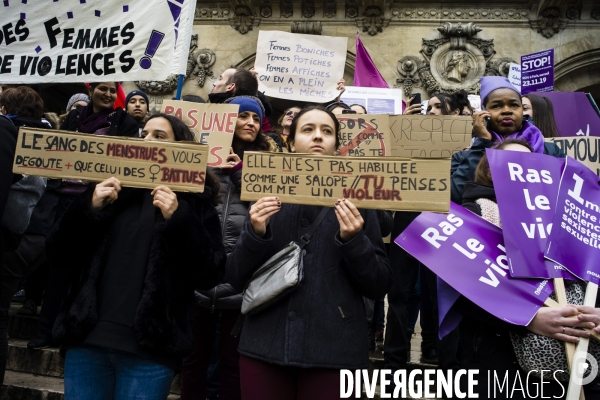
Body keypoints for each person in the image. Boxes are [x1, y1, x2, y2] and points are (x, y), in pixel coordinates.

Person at [46, 113, 226, 400]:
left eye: (160, 137)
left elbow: (210, 273)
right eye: (144, 134)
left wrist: (179, 218)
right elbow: (57, 253)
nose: (148, 141)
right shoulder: (107, 190)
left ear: (181, 149)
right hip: (88, 342)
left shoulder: (192, 202)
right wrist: (89, 207)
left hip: (150, 352)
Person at [226, 105, 392, 400]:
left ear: (336, 146)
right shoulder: (265, 192)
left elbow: (379, 284)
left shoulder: (358, 199)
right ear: (289, 141)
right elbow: (235, 278)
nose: (318, 137)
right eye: (308, 129)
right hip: (264, 344)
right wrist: (256, 233)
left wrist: (354, 240)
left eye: (327, 131)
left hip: (334, 350)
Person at [457, 139, 598, 398]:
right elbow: (461, 293)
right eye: (512, 163)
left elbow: (591, 273)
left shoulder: (567, 216)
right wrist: (527, 319)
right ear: (490, 171)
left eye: (530, 163)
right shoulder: (475, 215)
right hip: (501, 363)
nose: (522, 170)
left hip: (577, 361)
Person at [27, 81, 139, 349]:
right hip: (65, 200)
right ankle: (45, 330)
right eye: (103, 89)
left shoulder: (125, 122)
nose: (108, 94)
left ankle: (77, 329)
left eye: (113, 90)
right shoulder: (75, 117)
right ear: (91, 91)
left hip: (99, 204)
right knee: (58, 267)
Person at [181, 96, 277, 400]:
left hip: (243, 280)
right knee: (193, 359)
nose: (249, 122)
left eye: (255, 118)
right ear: (225, 121)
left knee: (232, 363)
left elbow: (272, 209)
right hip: (198, 276)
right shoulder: (202, 160)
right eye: (242, 115)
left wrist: (239, 173)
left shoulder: (268, 162)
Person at [451, 76, 565, 204]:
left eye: (514, 105)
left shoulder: (550, 151)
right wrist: (483, 143)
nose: (506, 111)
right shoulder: (464, 156)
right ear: (483, 113)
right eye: (496, 106)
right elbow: (455, 194)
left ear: (522, 111)